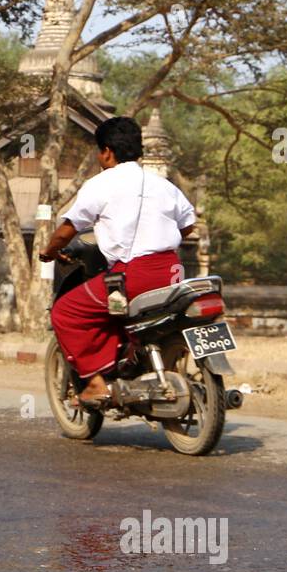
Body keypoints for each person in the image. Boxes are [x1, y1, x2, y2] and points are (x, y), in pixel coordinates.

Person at [38, 116, 196, 406]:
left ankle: (97, 383)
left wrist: (48, 251)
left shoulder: (100, 185)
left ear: (107, 152)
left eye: (99, 152)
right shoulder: (164, 185)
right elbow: (188, 227)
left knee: (65, 312)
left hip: (131, 278)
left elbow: (66, 231)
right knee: (115, 312)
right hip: (173, 274)